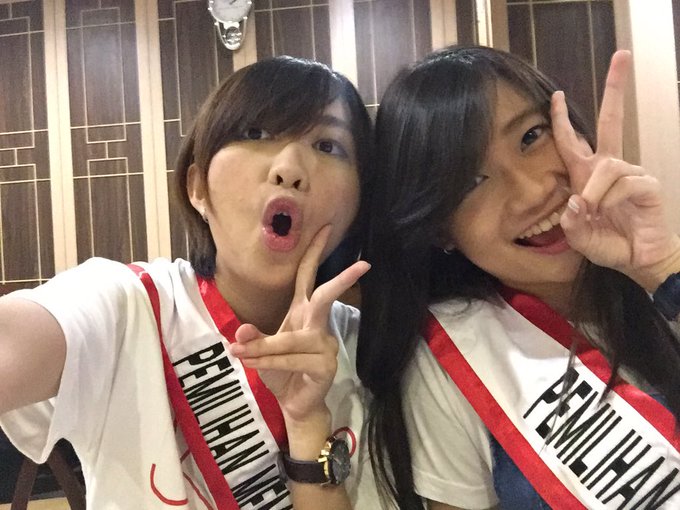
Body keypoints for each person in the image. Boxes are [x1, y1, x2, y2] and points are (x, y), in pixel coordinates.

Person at [0, 56, 380, 509]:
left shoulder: (376, 351)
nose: (290, 168)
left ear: (359, 203)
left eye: (327, 145)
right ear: (197, 187)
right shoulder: (127, 307)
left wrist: (307, 422)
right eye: (255, 133)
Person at [358, 45, 680, 509]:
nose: (532, 192)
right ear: (440, 229)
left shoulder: (665, 283)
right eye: (470, 182)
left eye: (531, 136)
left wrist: (661, 267)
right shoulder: (450, 362)